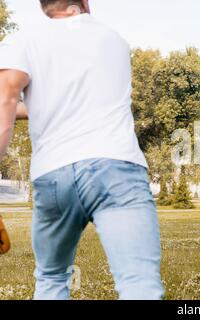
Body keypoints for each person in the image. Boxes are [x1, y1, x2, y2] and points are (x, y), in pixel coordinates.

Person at [0, 0, 164, 299]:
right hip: (115, 168)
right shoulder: (113, 39)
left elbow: (7, 101)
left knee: (50, 279)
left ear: (43, 7)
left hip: (53, 175)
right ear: (84, 2)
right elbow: (72, 99)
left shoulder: (22, 40)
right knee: (138, 283)